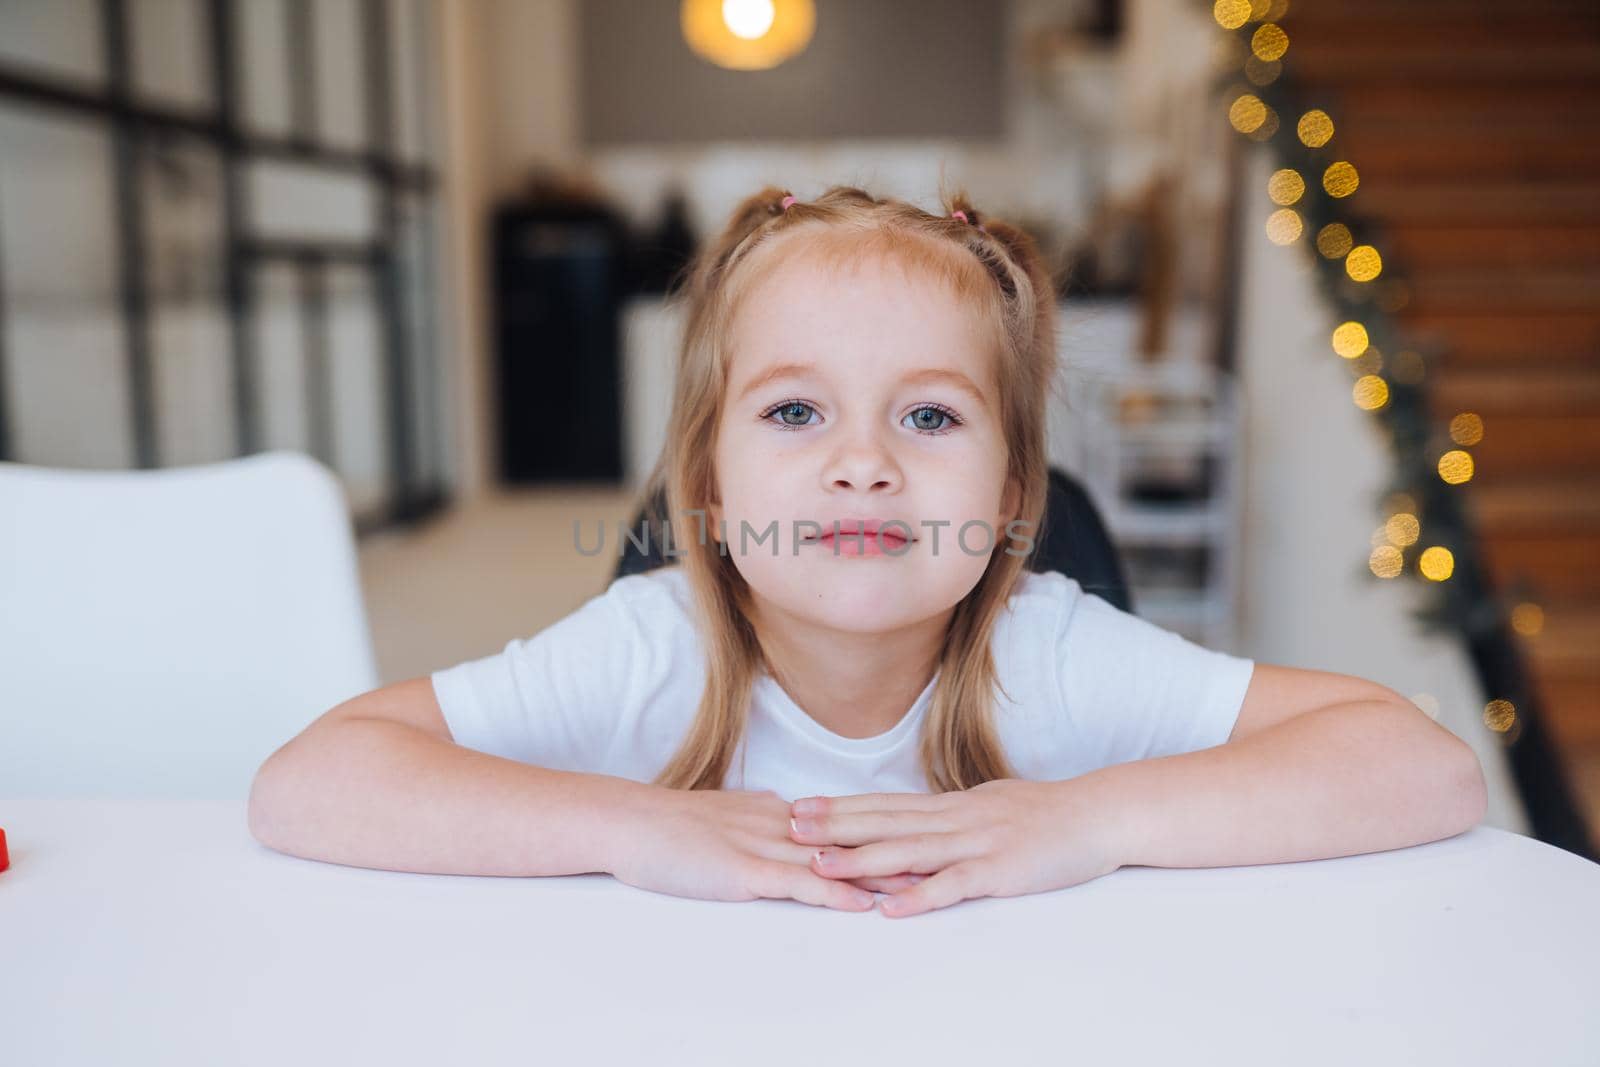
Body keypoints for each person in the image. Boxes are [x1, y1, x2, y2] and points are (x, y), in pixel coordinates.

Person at [248, 184, 1488, 919]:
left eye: (930, 415)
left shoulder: (1043, 648)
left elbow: (1421, 768)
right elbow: (309, 782)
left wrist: (1086, 820)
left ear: (1013, 495)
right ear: (709, 494)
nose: (862, 462)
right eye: (795, 412)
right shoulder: (654, 642)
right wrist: (631, 827)